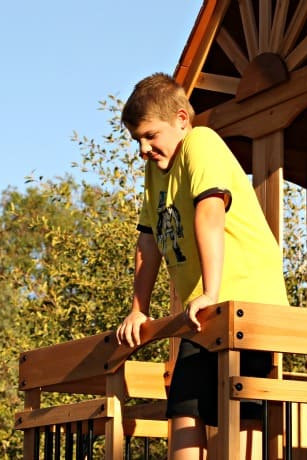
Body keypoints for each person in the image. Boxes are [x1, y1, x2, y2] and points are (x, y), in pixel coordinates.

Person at [115, 72, 288, 460]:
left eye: (150, 135)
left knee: (243, 405)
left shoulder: (201, 143)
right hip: (206, 312)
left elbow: (210, 212)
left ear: (180, 119)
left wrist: (210, 291)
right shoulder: (155, 171)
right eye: (136, 140)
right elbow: (148, 240)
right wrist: (138, 310)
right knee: (185, 404)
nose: (142, 149)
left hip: (247, 301)